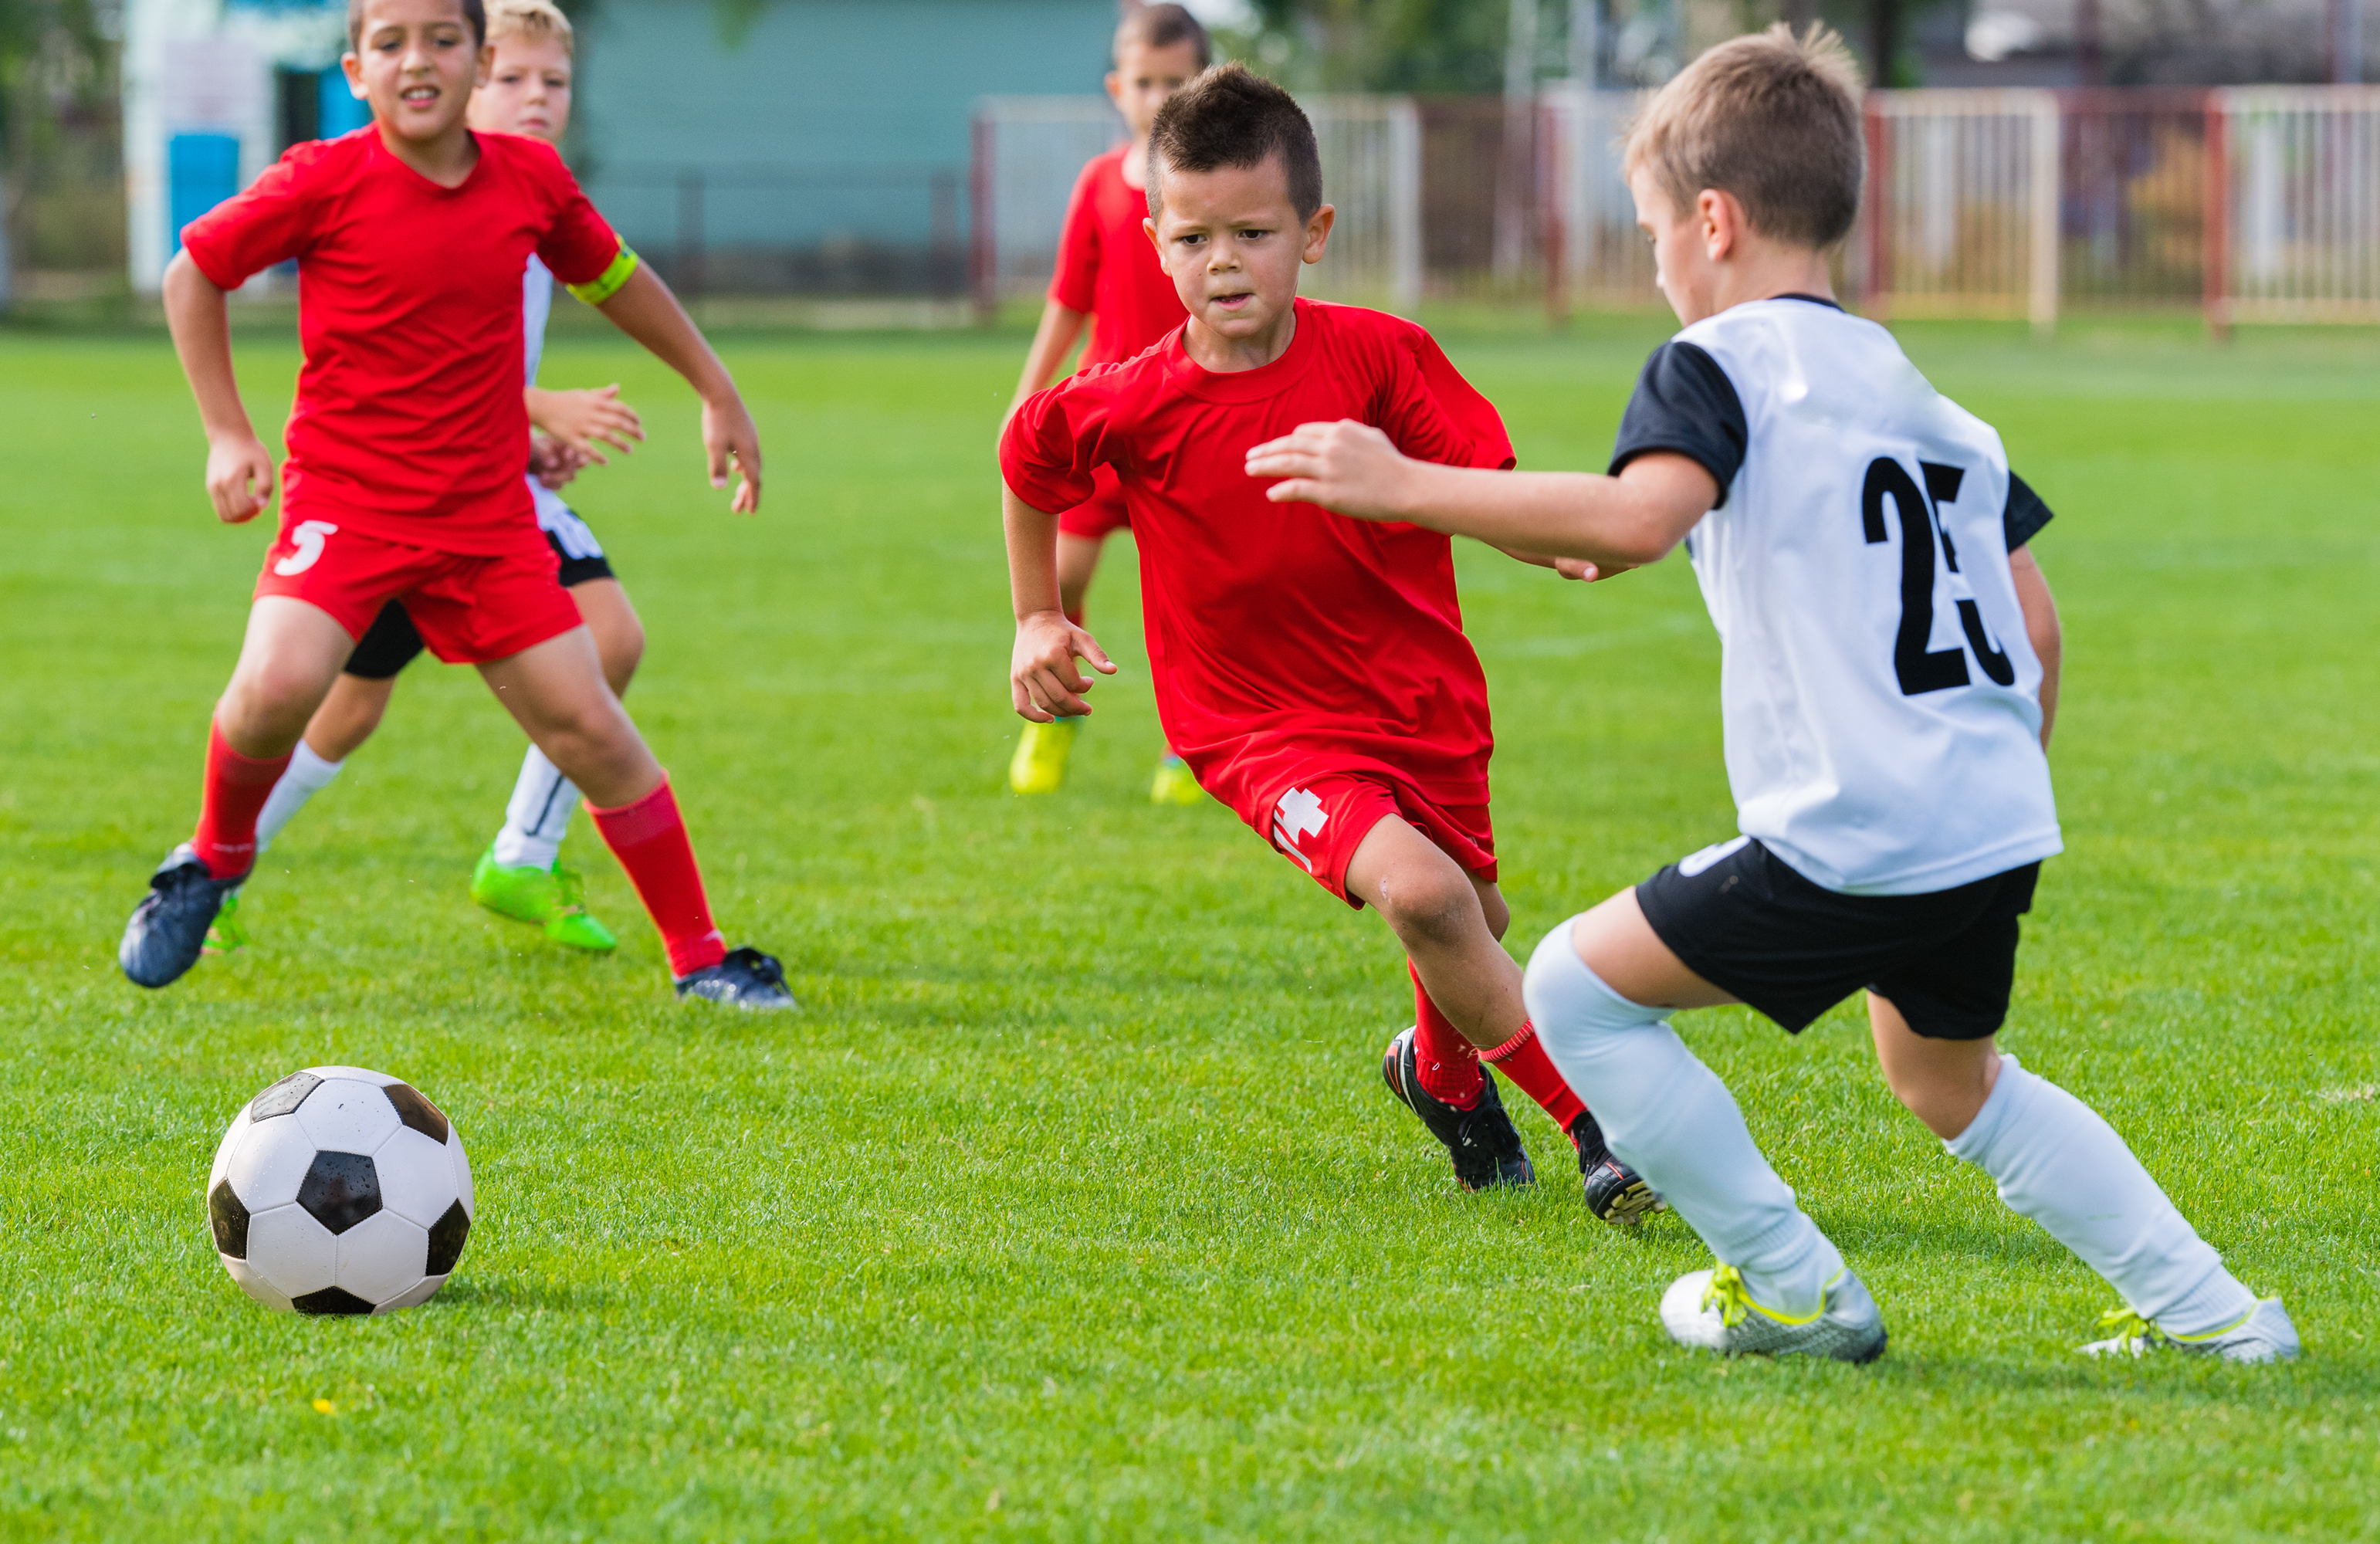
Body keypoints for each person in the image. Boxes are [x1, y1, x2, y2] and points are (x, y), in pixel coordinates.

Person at [1244, 25, 2297, 1361]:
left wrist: (1399, 484)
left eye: (1644, 234)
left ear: (1712, 221)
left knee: (1569, 989)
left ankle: (1797, 1294)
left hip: (1858, 826)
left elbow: (1637, 519)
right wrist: (1983, 776)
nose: (1655, 265)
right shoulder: (1915, 389)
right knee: (1950, 1083)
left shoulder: (1719, 363)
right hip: (1984, 815)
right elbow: (2033, 621)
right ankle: (2215, 1322)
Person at [1002, 65, 1650, 1218]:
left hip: (1417, 700)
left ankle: (1439, 1078)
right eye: (1191, 237)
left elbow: (1472, 485)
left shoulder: (1381, 358)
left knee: (1472, 922)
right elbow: (1026, 459)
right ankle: (1603, 1131)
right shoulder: (1131, 400)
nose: (1221, 262)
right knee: (1424, 897)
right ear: (1155, 245)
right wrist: (1036, 616)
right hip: (1254, 727)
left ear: (1313, 233)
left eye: (1251, 232)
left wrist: (1547, 542)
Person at [118, 0, 793, 1011]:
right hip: (345, 511)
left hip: (483, 530)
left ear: (475, 59)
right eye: (389, 43)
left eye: (441, 39)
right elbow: (193, 274)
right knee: (275, 687)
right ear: (355, 69)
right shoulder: (322, 178)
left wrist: (716, 387)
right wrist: (227, 433)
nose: (416, 60)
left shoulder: (528, 181)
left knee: (594, 730)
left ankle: (701, 960)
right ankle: (209, 865)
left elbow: (617, 280)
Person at [225, 0, 646, 957]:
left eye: (555, 83)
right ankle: (212, 865)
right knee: (345, 705)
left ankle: (524, 853)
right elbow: (422, 361)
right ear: (468, 73)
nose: (535, 100)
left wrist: (525, 427)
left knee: (609, 636)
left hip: (489, 489)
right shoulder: (423, 183)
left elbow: (482, 356)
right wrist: (541, 412)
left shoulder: (532, 190)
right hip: (400, 495)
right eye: (514, 80)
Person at [1004, 3, 1205, 804]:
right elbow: (1066, 300)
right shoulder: (1096, 183)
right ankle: (1054, 715)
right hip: (1098, 425)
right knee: (1060, 570)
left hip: (1188, 424)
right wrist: (1028, 394)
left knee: (1190, 595)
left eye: (1175, 81)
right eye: (1144, 81)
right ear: (1116, 88)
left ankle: (1189, 743)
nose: (1158, 97)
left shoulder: (1206, 192)